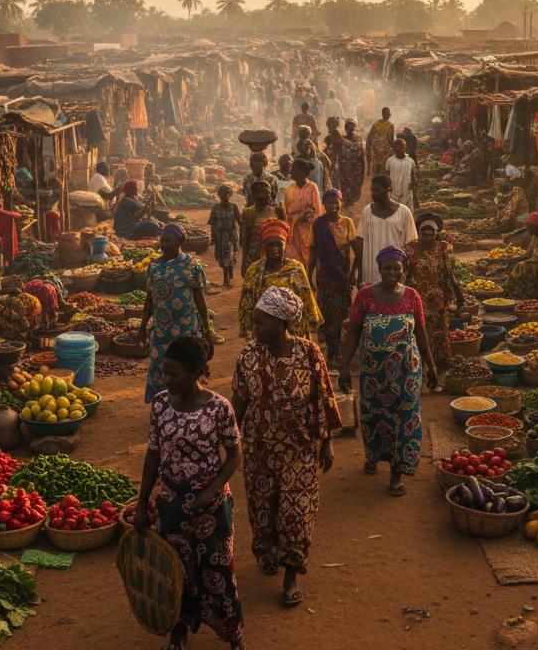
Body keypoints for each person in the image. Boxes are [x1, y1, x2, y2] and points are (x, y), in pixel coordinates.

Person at [230, 286, 340, 608]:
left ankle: (291, 574)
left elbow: (323, 398)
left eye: (261, 322)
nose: (255, 329)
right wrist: (227, 438)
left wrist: (327, 442)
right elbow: (239, 399)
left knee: (297, 513)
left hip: (299, 450)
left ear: (281, 323)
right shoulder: (249, 354)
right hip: (260, 449)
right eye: (255, 322)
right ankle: (267, 553)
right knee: (263, 510)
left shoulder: (309, 353)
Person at [133, 337, 245, 650]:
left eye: (174, 375)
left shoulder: (219, 408)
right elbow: (153, 455)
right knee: (175, 574)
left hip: (211, 509)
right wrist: (143, 504)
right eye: (164, 374)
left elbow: (235, 453)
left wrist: (210, 490)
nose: (166, 381)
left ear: (196, 372)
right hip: (171, 506)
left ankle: (233, 636)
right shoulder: (159, 405)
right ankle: (178, 634)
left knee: (218, 572)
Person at [337, 246, 437, 496]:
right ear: (379, 269)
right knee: (373, 416)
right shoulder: (364, 296)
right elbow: (353, 333)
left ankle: (397, 472)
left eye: (397, 268)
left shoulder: (412, 296)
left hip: (406, 372)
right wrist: (345, 366)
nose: (392, 272)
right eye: (387, 268)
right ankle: (373, 456)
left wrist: (431, 366)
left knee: (404, 418)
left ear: (403, 270)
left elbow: (421, 334)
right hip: (374, 374)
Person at [140, 224, 214, 403]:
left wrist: (207, 329)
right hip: (161, 331)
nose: (163, 244)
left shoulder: (191, 266)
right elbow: (149, 300)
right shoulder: (154, 267)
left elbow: (199, 300)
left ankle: (187, 403)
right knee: (161, 369)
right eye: (162, 240)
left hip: (185, 330)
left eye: (168, 240)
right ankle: (164, 406)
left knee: (185, 368)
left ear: (180, 241)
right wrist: (142, 326)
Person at [239, 219, 322, 339]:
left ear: (285, 244)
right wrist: (250, 333)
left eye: (278, 244)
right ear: (263, 246)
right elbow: (246, 305)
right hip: (263, 333)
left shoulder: (296, 268)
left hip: (292, 333)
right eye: (270, 244)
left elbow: (306, 303)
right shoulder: (254, 270)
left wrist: (307, 341)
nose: (274, 248)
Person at [307, 188, 360, 364]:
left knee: (341, 314)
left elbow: (357, 254)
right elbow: (313, 252)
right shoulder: (318, 224)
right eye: (329, 202)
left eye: (336, 201)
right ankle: (331, 351)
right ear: (324, 204)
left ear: (341, 202)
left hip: (342, 278)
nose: (333, 205)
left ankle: (337, 352)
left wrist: (353, 276)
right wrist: (308, 275)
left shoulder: (347, 223)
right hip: (324, 277)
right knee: (327, 314)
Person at [403, 213, 462, 367]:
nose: (428, 236)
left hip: (438, 298)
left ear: (436, 234)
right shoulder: (409, 249)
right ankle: (418, 364)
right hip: (417, 299)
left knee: (439, 332)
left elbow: (449, 272)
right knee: (418, 331)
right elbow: (403, 274)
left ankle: (438, 364)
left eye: (432, 233)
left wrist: (457, 293)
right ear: (419, 232)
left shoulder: (443, 247)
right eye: (424, 232)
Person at [355, 175, 417, 286]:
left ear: (389, 189)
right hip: (371, 270)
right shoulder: (367, 211)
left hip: (395, 271)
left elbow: (411, 244)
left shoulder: (404, 212)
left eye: (377, 190)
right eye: (372, 190)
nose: (373, 194)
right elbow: (360, 242)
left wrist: (409, 275)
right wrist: (359, 273)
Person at [239, 179, 287, 277]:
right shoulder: (248, 213)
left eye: (268, 193)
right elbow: (246, 239)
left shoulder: (277, 212)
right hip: (254, 255)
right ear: (254, 196)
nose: (266, 196)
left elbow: (283, 238)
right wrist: (244, 263)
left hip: (273, 255)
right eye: (263, 193)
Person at [282, 158, 323, 264]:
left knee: (306, 259)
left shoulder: (312, 187)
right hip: (292, 231)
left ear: (303, 172)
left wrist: (303, 217)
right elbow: (286, 210)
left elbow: (316, 208)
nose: (291, 171)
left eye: (294, 169)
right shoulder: (289, 189)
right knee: (293, 259)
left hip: (307, 231)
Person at [207, 184, 241, 288]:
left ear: (230, 194)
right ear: (219, 195)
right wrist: (213, 238)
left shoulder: (234, 207)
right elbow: (213, 224)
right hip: (220, 236)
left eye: (227, 193)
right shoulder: (215, 208)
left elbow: (240, 221)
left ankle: (226, 280)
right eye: (222, 193)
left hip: (231, 236)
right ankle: (229, 277)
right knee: (222, 258)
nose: (224, 195)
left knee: (229, 256)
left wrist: (242, 235)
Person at [337, 118, 366, 205]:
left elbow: (360, 153)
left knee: (355, 185)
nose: (350, 130)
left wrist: (363, 170)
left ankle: (350, 201)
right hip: (345, 168)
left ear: (354, 128)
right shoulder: (341, 139)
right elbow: (339, 153)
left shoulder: (358, 139)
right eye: (348, 128)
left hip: (356, 169)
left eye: (352, 128)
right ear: (345, 128)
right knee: (345, 186)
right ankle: (347, 202)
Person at [385, 137, 419, 210]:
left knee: (406, 213)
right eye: (397, 147)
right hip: (393, 192)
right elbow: (387, 176)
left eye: (402, 146)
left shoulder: (411, 162)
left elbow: (413, 178)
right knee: (393, 213)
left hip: (406, 193)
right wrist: (388, 188)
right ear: (394, 149)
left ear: (405, 148)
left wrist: (415, 197)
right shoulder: (390, 161)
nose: (399, 149)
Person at [366, 107, 395, 179]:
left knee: (376, 168)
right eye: (388, 113)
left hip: (376, 151)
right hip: (385, 152)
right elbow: (391, 140)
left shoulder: (376, 124)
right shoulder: (390, 125)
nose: (390, 115)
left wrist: (368, 149)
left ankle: (376, 184)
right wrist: (394, 150)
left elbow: (369, 138)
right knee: (384, 169)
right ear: (385, 114)